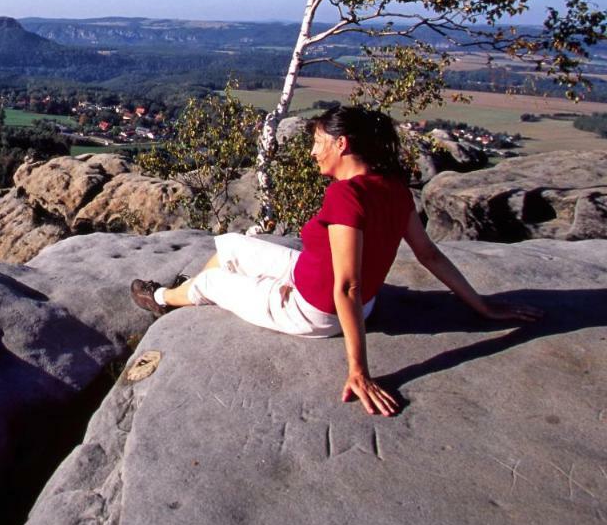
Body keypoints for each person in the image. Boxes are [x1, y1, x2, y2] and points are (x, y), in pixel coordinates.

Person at [130, 105, 543, 417]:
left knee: (211, 283)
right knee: (232, 246)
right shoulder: (394, 187)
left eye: (317, 143)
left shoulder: (346, 197)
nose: (313, 153)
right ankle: (189, 290)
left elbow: (346, 286)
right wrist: (481, 305)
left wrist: (358, 370)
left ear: (340, 144)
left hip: (315, 310)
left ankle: (165, 299)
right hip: (323, 282)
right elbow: (429, 253)